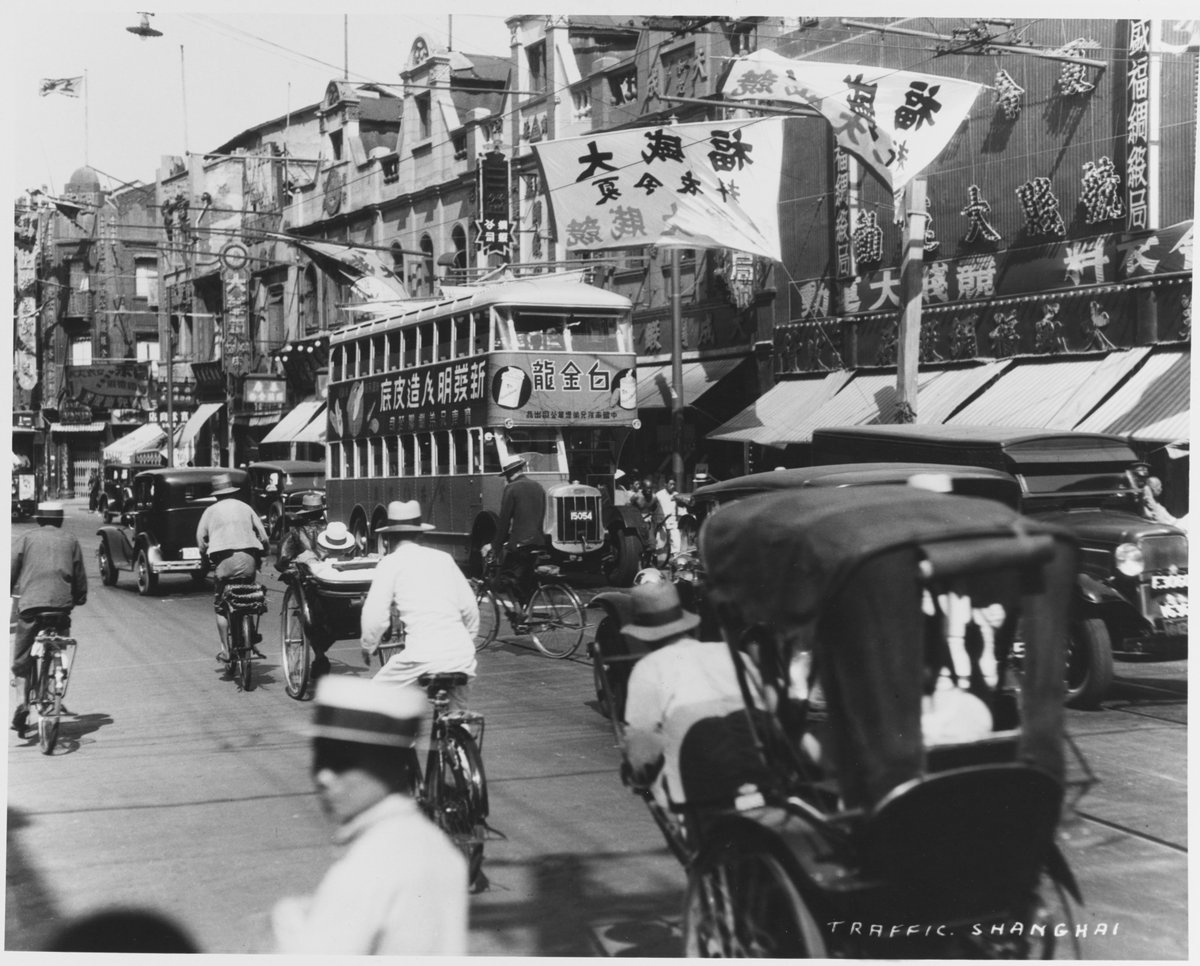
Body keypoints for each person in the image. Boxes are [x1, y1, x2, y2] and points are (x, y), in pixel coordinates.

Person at [271, 676, 467, 955]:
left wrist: (286, 922)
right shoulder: (436, 846)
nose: (324, 775)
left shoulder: (365, 868)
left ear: (394, 762)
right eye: (320, 756)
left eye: (343, 761)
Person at [621, 581, 766, 818]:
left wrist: (635, 773)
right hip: (760, 770)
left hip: (700, 787)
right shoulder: (732, 654)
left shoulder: (648, 669)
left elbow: (642, 746)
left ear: (644, 634)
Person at [360, 501, 478, 707]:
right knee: (458, 710)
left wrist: (368, 646)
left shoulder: (390, 563)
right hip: (461, 655)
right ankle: (462, 734)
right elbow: (469, 608)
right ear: (420, 534)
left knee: (371, 700)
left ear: (388, 537)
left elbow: (375, 615)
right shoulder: (444, 559)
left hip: (421, 656)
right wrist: (464, 642)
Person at [10, 502, 88, 737]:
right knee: (58, 642)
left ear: (38, 519)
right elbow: (79, 574)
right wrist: (79, 597)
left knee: (22, 660)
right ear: (61, 519)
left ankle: (22, 705)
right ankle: (56, 677)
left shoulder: (26, 538)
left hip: (31, 608)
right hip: (60, 609)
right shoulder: (71, 540)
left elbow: (10, 568)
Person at [196, 472, 269, 666]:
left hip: (224, 563)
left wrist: (205, 559)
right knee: (247, 596)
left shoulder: (210, 511)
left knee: (221, 606)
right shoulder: (245, 507)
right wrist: (263, 555)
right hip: (248, 561)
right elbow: (264, 536)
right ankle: (250, 634)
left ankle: (226, 650)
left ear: (216, 494)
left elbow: (201, 541)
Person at [492, 456, 546, 610]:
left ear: (510, 474)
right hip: (538, 541)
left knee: (504, 578)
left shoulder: (511, 488)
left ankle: (520, 613)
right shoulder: (538, 486)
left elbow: (504, 522)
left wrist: (494, 546)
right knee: (526, 579)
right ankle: (526, 610)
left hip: (521, 543)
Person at [275, 492, 327, 572]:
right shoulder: (330, 528)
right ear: (321, 513)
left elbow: (283, 557)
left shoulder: (296, 531)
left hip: (306, 572)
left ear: (304, 514)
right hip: (329, 569)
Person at [653, 478, 683, 558]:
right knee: (659, 543)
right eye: (671, 484)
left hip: (673, 521)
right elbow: (654, 508)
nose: (672, 486)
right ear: (665, 484)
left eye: (674, 484)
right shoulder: (659, 495)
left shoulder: (676, 494)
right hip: (661, 522)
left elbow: (679, 508)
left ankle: (675, 561)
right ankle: (655, 560)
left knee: (676, 543)